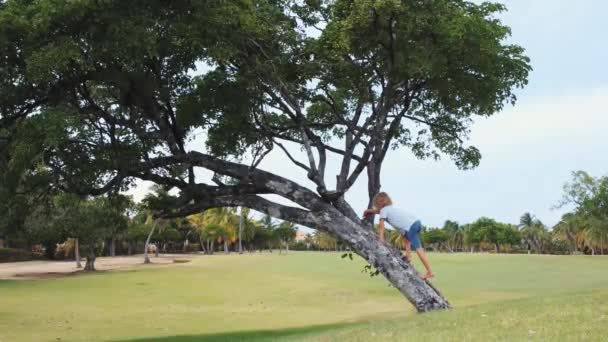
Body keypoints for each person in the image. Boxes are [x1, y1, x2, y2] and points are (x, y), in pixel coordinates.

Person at [363, 192, 435, 280]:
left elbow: (381, 225)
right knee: (406, 237)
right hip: (416, 223)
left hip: (411, 226)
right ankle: (408, 256)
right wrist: (369, 211)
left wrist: (381, 238)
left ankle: (430, 272)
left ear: (378, 203)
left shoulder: (384, 210)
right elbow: (378, 211)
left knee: (419, 249)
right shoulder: (389, 209)